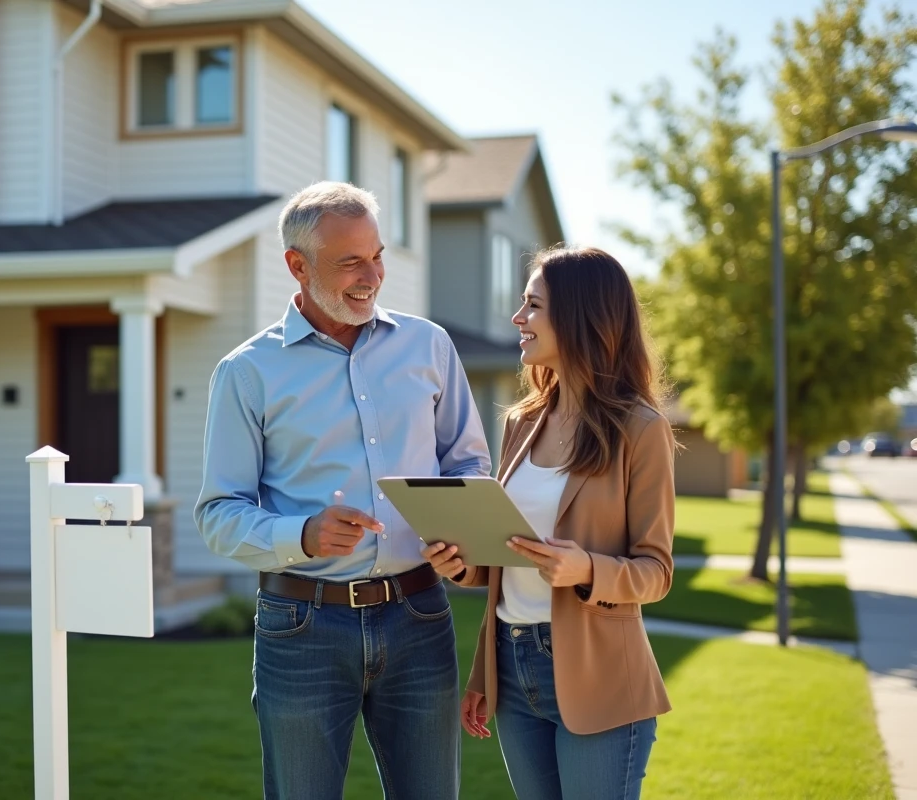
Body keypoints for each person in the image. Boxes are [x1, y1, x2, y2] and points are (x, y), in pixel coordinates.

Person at [195, 181, 491, 800]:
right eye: (351, 261)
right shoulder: (247, 372)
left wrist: (461, 539)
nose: (372, 276)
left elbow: (468, 464)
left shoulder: (429, 346)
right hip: (302, 626)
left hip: (419, 614)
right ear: (297, 266)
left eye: (377, 256)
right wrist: (302, 534)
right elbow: (219, 513)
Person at [423, 246, 675, 800]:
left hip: (600, 675)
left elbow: (656, 571)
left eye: (533, 305)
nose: (518, 318)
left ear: (581, 315)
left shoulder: (640, 429)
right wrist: (460, 567)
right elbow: (506, 556)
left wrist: (586, 569)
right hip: (514, 669)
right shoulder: (523, 421)